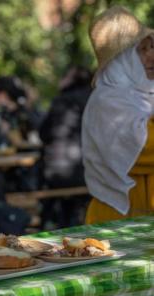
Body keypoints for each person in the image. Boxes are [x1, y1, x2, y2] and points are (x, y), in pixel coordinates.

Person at [82, 6, 154, 224]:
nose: (151, 55)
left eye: (152, 46)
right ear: (122, 59)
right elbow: (144, 148)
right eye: (141, 49)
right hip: (119, 220)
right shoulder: (107, 101)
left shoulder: (147, 94)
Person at [39, 66, 92, 228]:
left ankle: (53, 223)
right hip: (87, 172)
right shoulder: (96, 100)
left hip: (55, 174)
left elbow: (43, 133)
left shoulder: (61, 100)